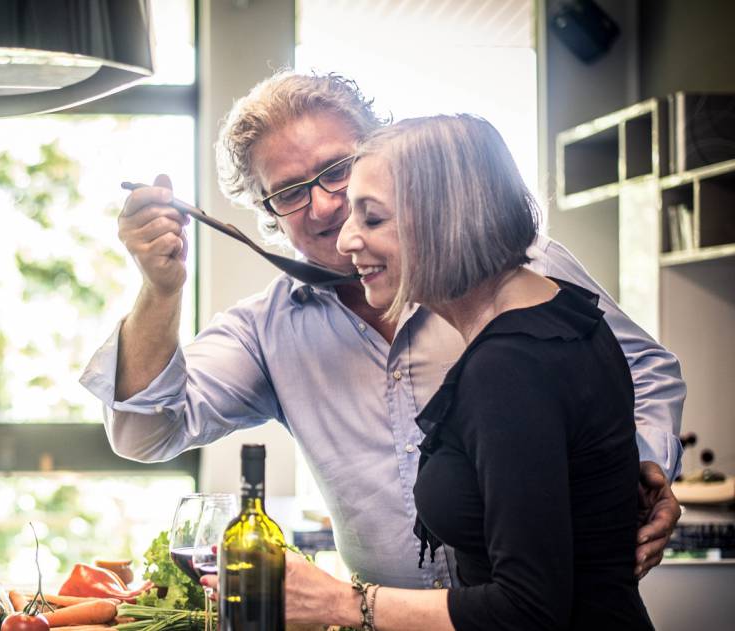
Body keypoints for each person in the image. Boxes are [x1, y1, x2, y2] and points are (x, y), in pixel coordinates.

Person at [79, 71, 684, 590]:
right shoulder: (264, 332)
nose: (322, 206)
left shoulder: (513, 266)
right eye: (288, 192)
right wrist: (161, 291)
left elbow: (644, 370)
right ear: (266, 213)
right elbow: (144, 432)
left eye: (337, 170)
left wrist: (634, 473)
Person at [280, 113, 653, 629]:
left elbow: (527, 609)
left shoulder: (509, 368)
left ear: (443, 218)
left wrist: (343, 604)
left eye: (372, 219)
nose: (346, 242)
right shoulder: (566, 313)